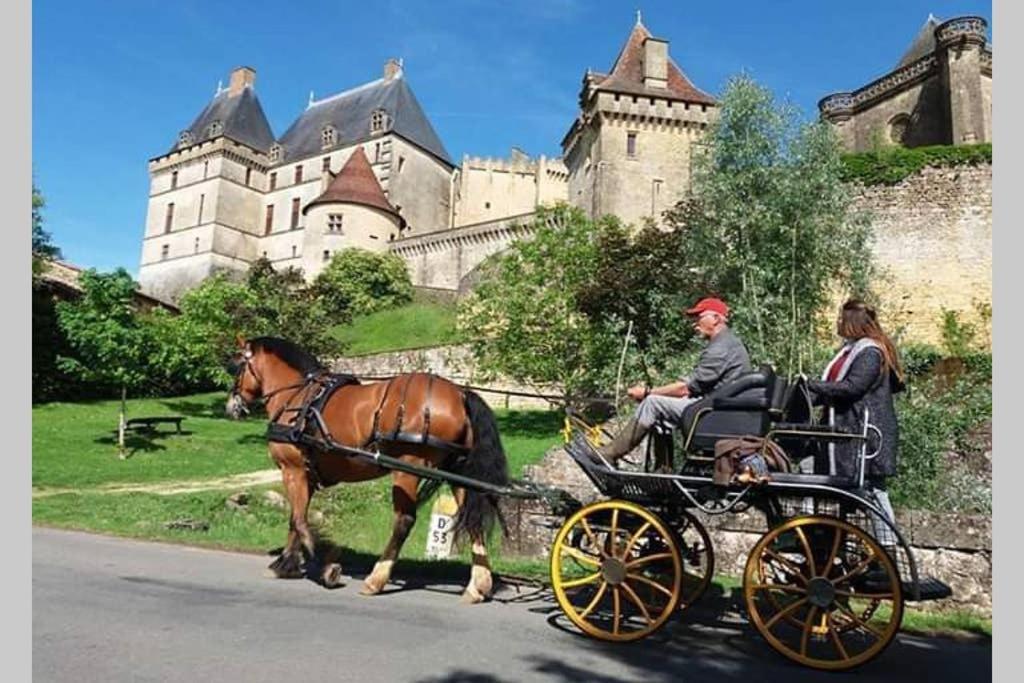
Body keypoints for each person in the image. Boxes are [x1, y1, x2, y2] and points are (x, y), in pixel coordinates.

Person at [594, 297, 751, 465]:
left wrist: (646, 392)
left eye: (699, 317)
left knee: (652, 403)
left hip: (712, 413)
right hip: (716, 407)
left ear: (716, 318)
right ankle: (663, 469)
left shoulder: (721, 347)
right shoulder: (728, 343)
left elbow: (686, 389)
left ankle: (609, 455)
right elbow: (698, 384)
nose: (694, 324)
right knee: (662, 410)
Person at [806, 298, 905, 546]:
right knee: (809, 471)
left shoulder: (870, 352)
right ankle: (824, 540)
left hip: (867, 434)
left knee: (873, 491)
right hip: (849, 431)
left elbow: (852, 387)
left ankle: (888, 550)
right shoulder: (851, 350)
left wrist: (812, 385)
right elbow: (835, 389)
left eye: (841, 318)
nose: (838, 322)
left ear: (852, 322)